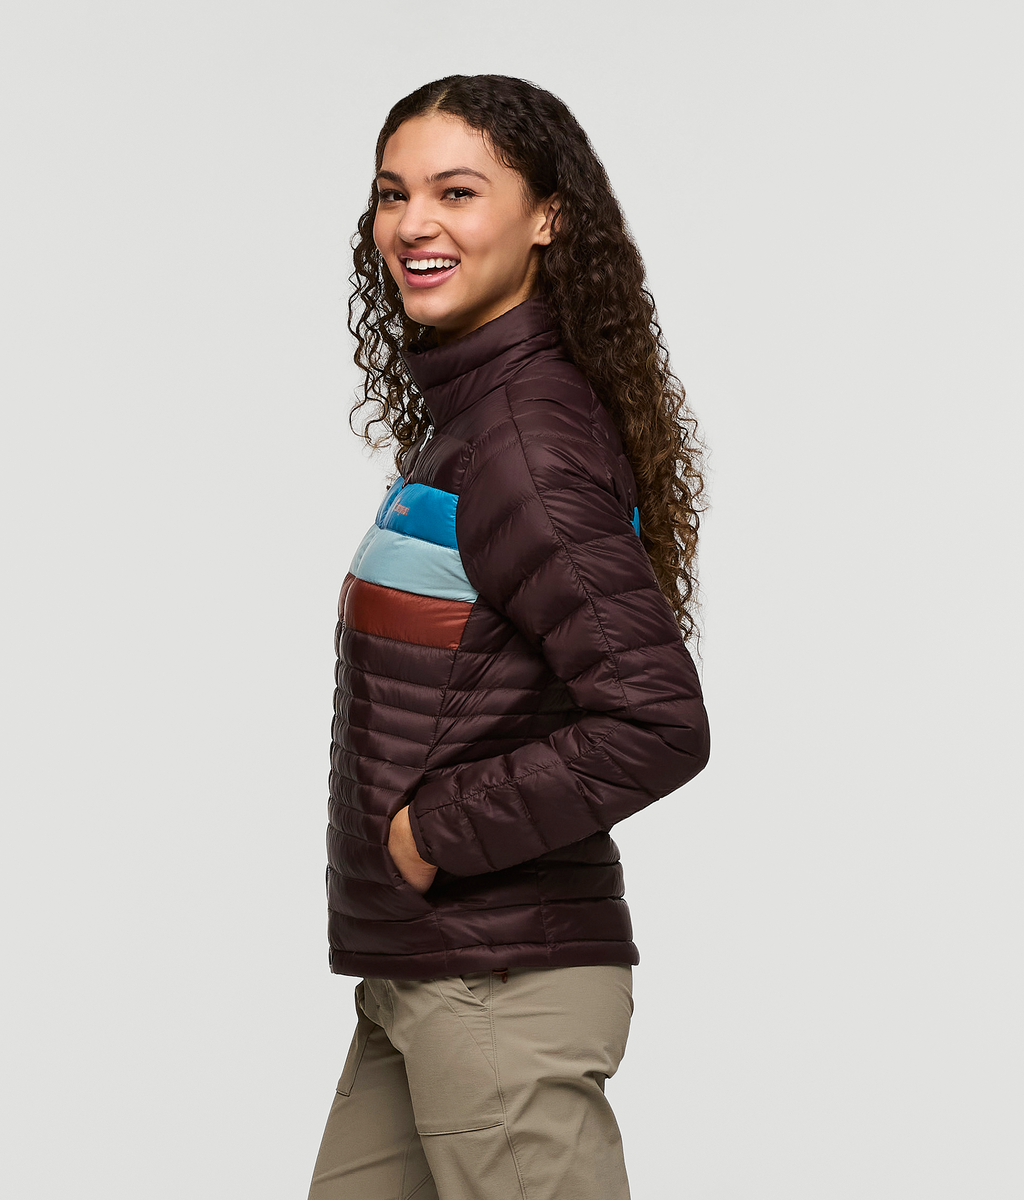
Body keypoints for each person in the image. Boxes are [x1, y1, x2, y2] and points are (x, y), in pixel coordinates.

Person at [308, 74, 710, 1200]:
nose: (413, 223)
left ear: (547, 218)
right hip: (429, 973)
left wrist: (432, 833)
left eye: (457, 191)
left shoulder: (524, 442)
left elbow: (655, 721)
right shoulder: (477, 426)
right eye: (393, 193)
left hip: (498, 988)